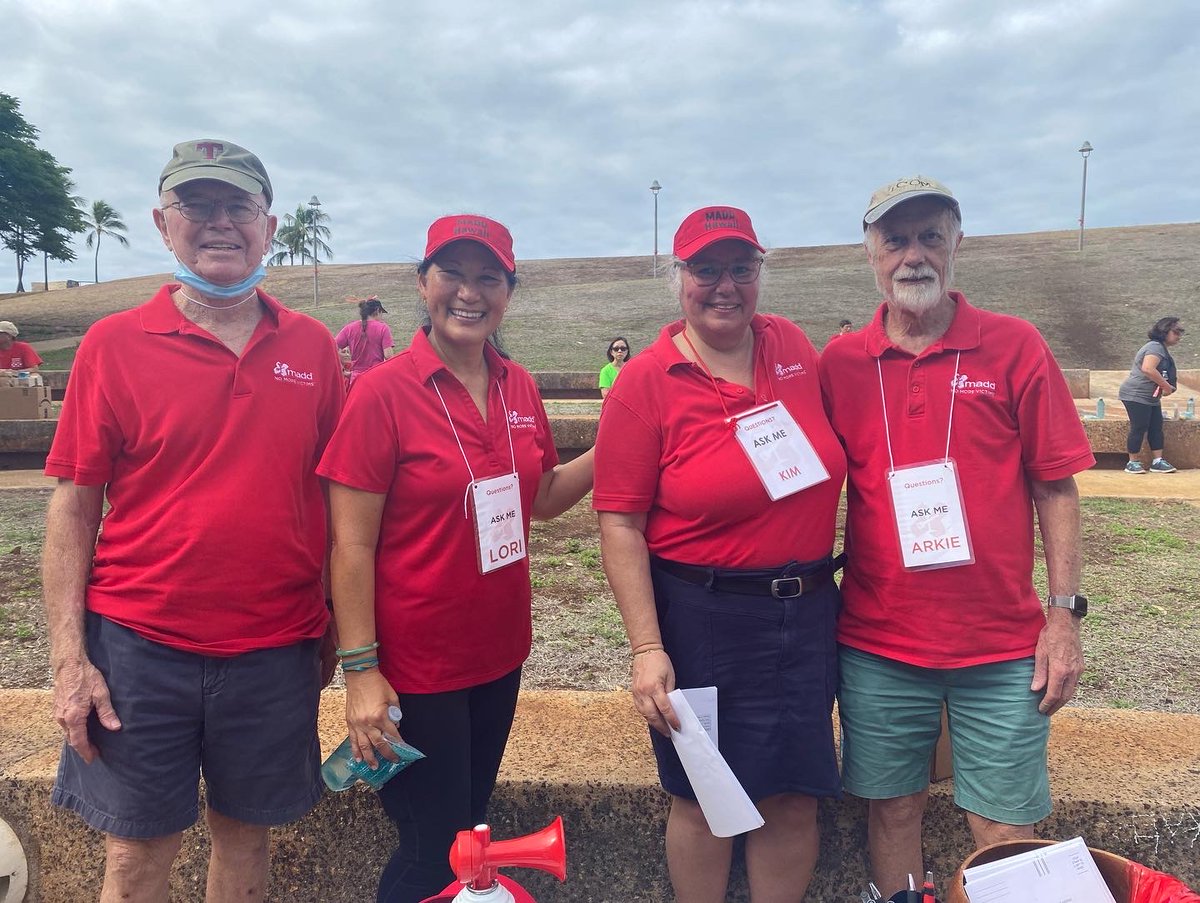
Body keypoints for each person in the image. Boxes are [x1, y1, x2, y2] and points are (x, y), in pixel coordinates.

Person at [41, 139, 344, 902]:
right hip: (138, 649)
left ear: (269, 226)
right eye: (196, 204)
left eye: (238, 205)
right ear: (161, 222)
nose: (219, 222)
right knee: (135, 855)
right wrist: (70, 658)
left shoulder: (312, 348)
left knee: (246, 842)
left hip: (275, 647)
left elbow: (340, 502)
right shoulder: (112, 345)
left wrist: (339, 625)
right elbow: (74, 506)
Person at [820, 176, 1095, 899]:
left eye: (930, 237)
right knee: (892, 809)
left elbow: (1056, 487)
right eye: (895, 240)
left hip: (1002, 646)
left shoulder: (1015, 345)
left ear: (957, 243)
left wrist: (1063, 616)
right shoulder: (840, 363)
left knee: (1004, 827)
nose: (913, 255)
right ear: (870, 252)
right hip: (879, 642)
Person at [317, 214, 594, 903]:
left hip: (498, 658)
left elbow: (542, 498)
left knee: (467, 837)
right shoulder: (383, 392)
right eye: (452, 274)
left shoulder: (516, 385)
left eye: (488, 277)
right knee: (432, 855)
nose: (469, 293)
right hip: (416, 672)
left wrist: (616, 435)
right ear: (423, 284)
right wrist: (361, 672)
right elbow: (350, 545)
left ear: (508, 291)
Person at [594, 206, 847, 902]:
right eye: (706, 270)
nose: (725, 286)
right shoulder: (646, 379)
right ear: (679, 278)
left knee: (793, 795)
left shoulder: (790, 344)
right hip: (702, 617)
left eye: (741, 268)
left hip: (805, 611)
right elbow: (619, 523)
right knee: (706, 797)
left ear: (760, 272)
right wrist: (647, 647)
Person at [1117, 317, 1183, 474]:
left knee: (1156, 427)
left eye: (1181, 332)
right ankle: (1132, 462)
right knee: (1139, 427)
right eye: (1176, 331)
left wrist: (1165, 387)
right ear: (1164, 331)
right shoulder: (1155, 347)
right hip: (1136, 395)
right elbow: (1148, 368)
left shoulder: (1161, 349)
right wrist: (1165, 386)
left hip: (1150, 397)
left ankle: (1157, 461)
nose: (1179, 336)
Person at [336, 296, 395, 386]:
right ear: (377, 311)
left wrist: (343, 371)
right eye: (381, 313)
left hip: (356, 380)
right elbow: (388, 356)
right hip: (376, 378)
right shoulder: (383, 328)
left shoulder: (350, 328)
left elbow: (331, 348)